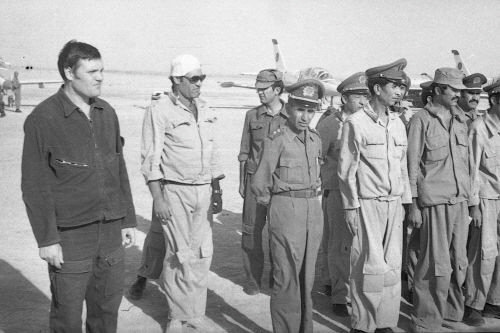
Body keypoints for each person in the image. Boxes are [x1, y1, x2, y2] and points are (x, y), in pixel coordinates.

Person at [21, 40, 137, 332]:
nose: (100, 77)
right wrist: (47, 239)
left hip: (110, 231)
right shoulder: (43, 119)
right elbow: (34, 185)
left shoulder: (106, 112)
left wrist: (128, 220)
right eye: (92, 71)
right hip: (71, 236)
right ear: (69, 72)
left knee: (106, 314)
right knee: (67, 318)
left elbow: (118, 168)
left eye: (102, 70)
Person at [140, 54, 224, 331]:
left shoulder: (206, 107)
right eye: (194, 79)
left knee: (202, 254)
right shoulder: (160, 110)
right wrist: (158, 197)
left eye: (202, 78)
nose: (200, 83)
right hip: (174, 191)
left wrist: (216, 189)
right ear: (176, 80)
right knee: (178, 254)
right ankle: (177, 316)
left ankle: (195, 314)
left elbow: (212, 152)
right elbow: (150, 159)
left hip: (202, 190)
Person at [338, 59, 411, 333]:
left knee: (392, 267)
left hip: (394, 205)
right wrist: (350, 208)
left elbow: (402, 167)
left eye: (401, 87)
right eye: (394, 86)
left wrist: (405, 203)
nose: (400, 92)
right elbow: (346, 171)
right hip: (367, 205)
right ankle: (363, 323)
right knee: (368, 266)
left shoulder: (398, 123)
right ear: (378, 88)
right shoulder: (355, 123)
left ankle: (385, 323)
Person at [251, 79, 324, 333]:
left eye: (311, 110)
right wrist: (277, 209)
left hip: (312, 210)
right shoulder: (277, 139)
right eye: (300, 109)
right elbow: (260, 183)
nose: (305, 117)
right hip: (285, 209)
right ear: (290, 108)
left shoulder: (314, 139)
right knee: (286, 278)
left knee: (307, 278)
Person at [407, 67, 470, 332]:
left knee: (459, 261)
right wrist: (413, 205)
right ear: (437, 90)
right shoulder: (421, 120)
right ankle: (426, 321)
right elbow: (411, 166)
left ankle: (452, 314)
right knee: (434, 264)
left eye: (459, 90)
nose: (458, 94)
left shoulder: (461, 120)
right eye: (452, 89)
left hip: (460, 200)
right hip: (435, 202)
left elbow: (467, 164)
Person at [316, 72, 369, 317]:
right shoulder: (330, 124)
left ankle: (335, 283)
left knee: (352, 246)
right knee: (339, 247)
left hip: (361, 193)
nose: (362, 101)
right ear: (344, 97)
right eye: (357, 96)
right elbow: (317, 157)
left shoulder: (365, 122)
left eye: (365, 96)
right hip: (336, 191)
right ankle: (339, 295)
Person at [238, 69, 287, 295]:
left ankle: (277, 277)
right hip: (253, 183)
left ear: (277, 90)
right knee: (251, 231)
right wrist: (242, 183)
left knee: (279, 233)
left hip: (279, 184)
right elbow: (244, 152)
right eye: (257, 89)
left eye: (263, 89)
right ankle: (252, 279)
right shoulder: (252, 116)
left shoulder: (291, 116)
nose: (259, 93)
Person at [463, 80, 500, 326]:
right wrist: (474, 204)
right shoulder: (479, 127)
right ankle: (473, 304)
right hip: (486, 199)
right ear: (495, 100)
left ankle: (493, 302)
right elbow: (471, 168)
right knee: (483, 254)